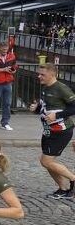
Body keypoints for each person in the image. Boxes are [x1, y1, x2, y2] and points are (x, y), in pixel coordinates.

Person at [29, 63, 75, 199]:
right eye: (39, 73)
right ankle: (63, 189)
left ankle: (73, 179)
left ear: (52, 74)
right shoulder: (46, 88)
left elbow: (73, 107)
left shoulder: (61, 88)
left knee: (46, 161)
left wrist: (57, 116)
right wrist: (36, 109)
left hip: (61, 130)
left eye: (42, 74)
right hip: (49, 130)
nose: (39, 76)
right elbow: (47, 108)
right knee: (48, 163)